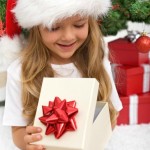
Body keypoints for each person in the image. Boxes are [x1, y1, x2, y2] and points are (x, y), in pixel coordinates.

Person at [2, 0, 122, 149]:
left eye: (79, 25)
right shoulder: (20, 71)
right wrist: (27, 142)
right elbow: (17, 131)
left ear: (90, 22)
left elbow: (111, 113)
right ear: (36, 28)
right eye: (54, 27)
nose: (68, 36)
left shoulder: (98, 60)